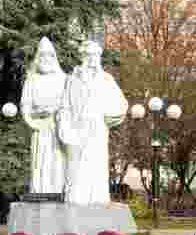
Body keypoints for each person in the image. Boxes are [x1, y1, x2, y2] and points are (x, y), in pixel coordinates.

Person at [57, 40, 129, 205]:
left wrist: (109, 115)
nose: (92, 59)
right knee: (75, 169)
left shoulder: (106, 79)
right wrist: (64, 127)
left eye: (96, 55)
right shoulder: (71, 79)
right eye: (88, 55)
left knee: (96, 165)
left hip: (97, 128)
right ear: (82, 56)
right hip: (76, 128)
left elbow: (122, 104)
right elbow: (64, 106)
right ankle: (75, 201)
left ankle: (97, 200)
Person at [20, 37, 68, 195]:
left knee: (58, 160)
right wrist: (38, 115)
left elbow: (71, 104)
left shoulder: (65, 80)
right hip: (40, 128)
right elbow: (25, 107)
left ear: (54, 58)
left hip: (59, 127)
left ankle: (59, 189)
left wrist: (58, 112)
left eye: (49, 55)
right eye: (42, 55)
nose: (45, 59)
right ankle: (39, 191)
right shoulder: (31, 80)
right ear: (37, 58)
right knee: (40, 161)